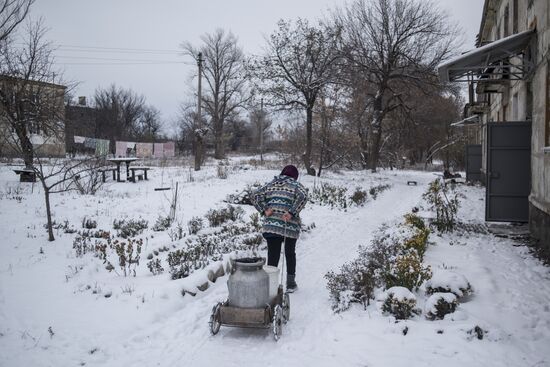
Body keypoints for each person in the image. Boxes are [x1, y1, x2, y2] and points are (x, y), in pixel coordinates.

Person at [251, 165, 308, 293]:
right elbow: (303, 196)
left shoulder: (271, 184)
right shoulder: (295, 185)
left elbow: (255, 195)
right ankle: (291, 284)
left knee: (273, 254)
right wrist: (292, 213)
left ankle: (271, 285)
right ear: (294, 176)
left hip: (271, 226)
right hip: (289, 226)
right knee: (289, 253)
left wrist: (264, 209)